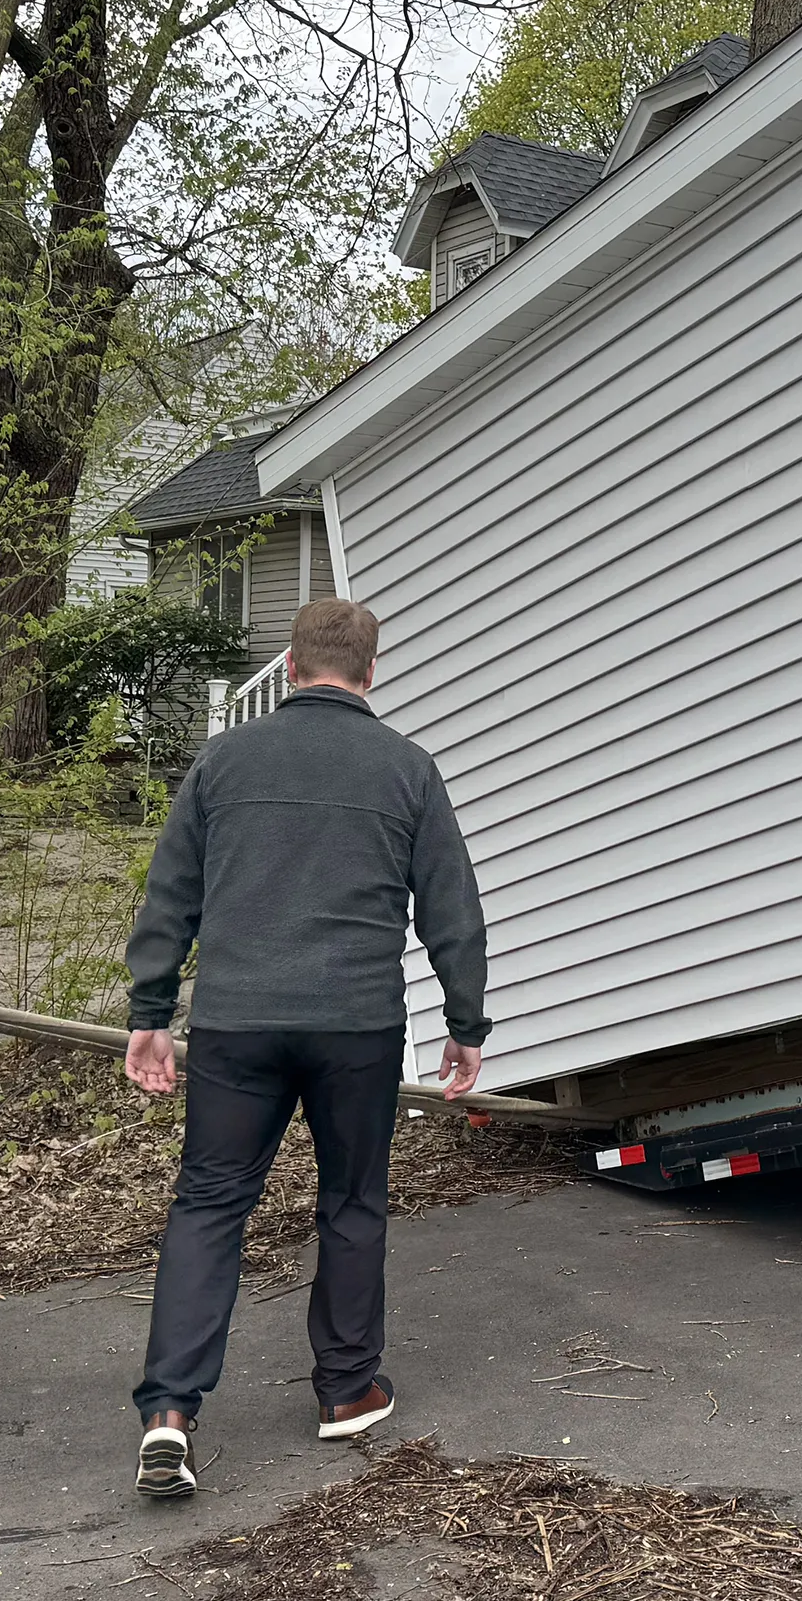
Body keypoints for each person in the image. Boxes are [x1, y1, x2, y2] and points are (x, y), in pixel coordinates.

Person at [122, 597, 488, 1498]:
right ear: (371, 671)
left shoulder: (222, 758)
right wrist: (465, 1024)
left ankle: (170, 1412)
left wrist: (150, 1010)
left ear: (289, 668)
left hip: (239, 1020)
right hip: (354, 1023)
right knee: (351, 1201)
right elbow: (452, 907)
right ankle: (346, 1391)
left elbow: (171, 893)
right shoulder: (407, 768)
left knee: (209, 1203)